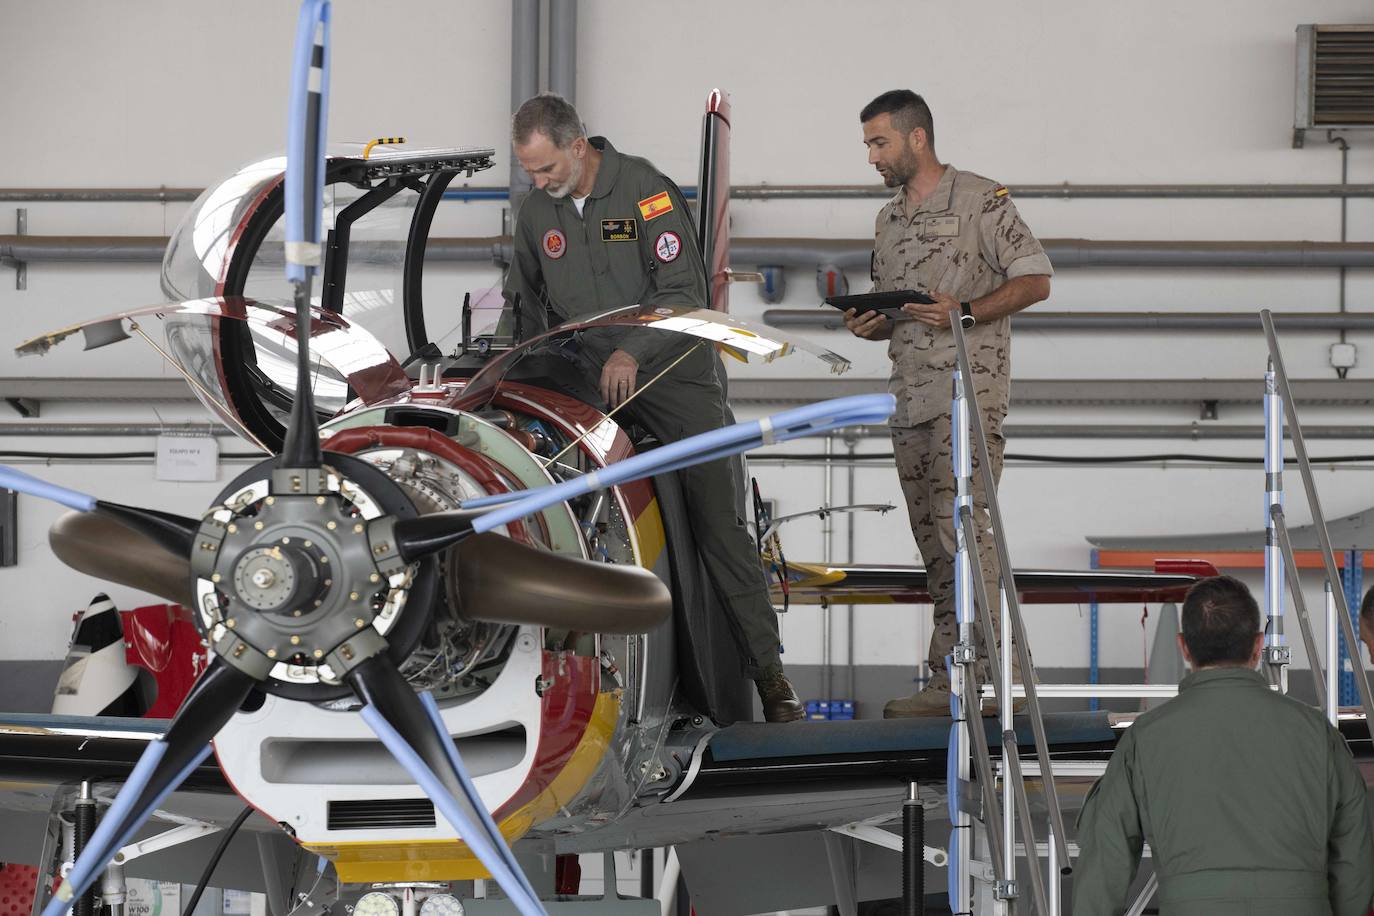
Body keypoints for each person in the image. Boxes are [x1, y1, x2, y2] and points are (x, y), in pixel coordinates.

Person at [501, 93, 804, 723]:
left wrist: (633, 351)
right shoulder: (537, 213)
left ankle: (771, 678)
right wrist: (508, 366)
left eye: (547, 169)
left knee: (719, 525)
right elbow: (523, 303)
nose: (539, 182)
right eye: (529, 172)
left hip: (673, 376)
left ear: (577, 146)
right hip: (586, 378)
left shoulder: (645, 192)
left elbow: (683, 295)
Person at [845, 90, 1052, 717]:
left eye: (879, 143)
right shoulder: (888, 221)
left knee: (965, 532)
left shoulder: (981, 201)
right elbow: (900, 308)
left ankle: (998, 678)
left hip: (967, 392)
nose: (872, 157)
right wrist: (872, 322)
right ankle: (952, 678)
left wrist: (965, 311)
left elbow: (1036, 279)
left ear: (916, 138)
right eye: (868, 146)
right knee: (932, 542)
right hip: (909, 398)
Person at [1073, 576, 1374, 915]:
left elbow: (1104, 864)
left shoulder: (1144, 739)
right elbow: (1355, 852)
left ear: (1184, 646)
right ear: (1258, 645)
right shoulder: (1318, 733)